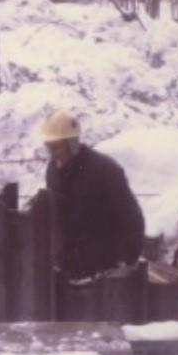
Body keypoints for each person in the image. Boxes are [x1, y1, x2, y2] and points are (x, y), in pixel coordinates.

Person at [40, 109, 145, 280]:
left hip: (105, 267)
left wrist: (127, 262)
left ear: (71, 143)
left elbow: (132, 217)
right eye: (48, 147)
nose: (52, 153)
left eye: (56, 147)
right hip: (70, 265)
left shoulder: (104, 170)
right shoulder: (53, 171)